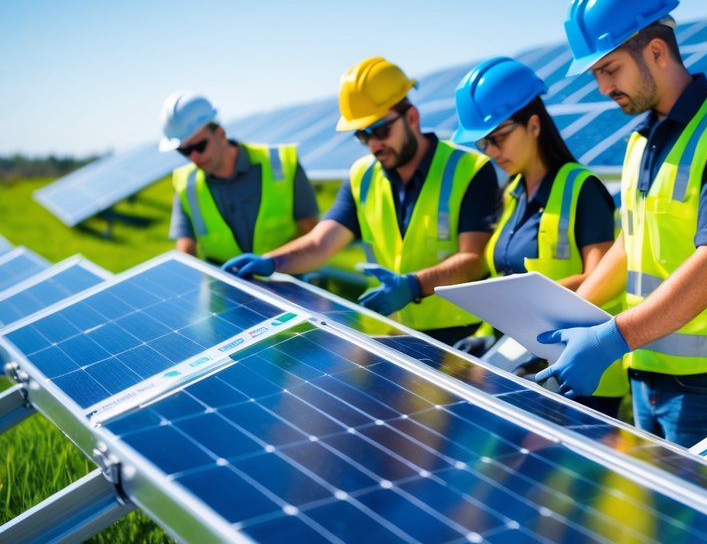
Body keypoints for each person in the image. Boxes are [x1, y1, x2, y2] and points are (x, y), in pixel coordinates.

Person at [536, 0, 707, 447]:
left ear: (656, 51)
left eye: (609, 70)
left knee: (706, 522)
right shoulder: (643, 140)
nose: (602, 89)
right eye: (596, 75)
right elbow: (633, 244)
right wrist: (567, 319)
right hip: (646, 367)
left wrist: (612, 338)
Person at [222, 56, 500, 345]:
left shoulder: (469, 169)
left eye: (380, 130)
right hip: (392, 334)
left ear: (412, 117)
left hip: (461, 338)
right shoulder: (362, 176)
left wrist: (413, 285)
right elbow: (321, 243)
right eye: (362, 135)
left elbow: (475, 260)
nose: (374, 144)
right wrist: (271, 262)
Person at [449, 55, 625, 416]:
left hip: (580, 377)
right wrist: (488, 332)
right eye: (484, 144)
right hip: (521, 365)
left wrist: (530, 308)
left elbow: (600, 277)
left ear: (532, 124)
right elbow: (505, 280)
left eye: (498, 138)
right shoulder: (511, 194)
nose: (492, 152)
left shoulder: (582, 189)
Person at [161, 92, 318, 264]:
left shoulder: (281, 163)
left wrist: (269, 265)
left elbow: (309, 228)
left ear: (220, 134)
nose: (194, 157)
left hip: (286, 280)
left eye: (199, 146)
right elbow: (186, 249)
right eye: (184, 151)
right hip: (223, 287)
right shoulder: (186, 185)